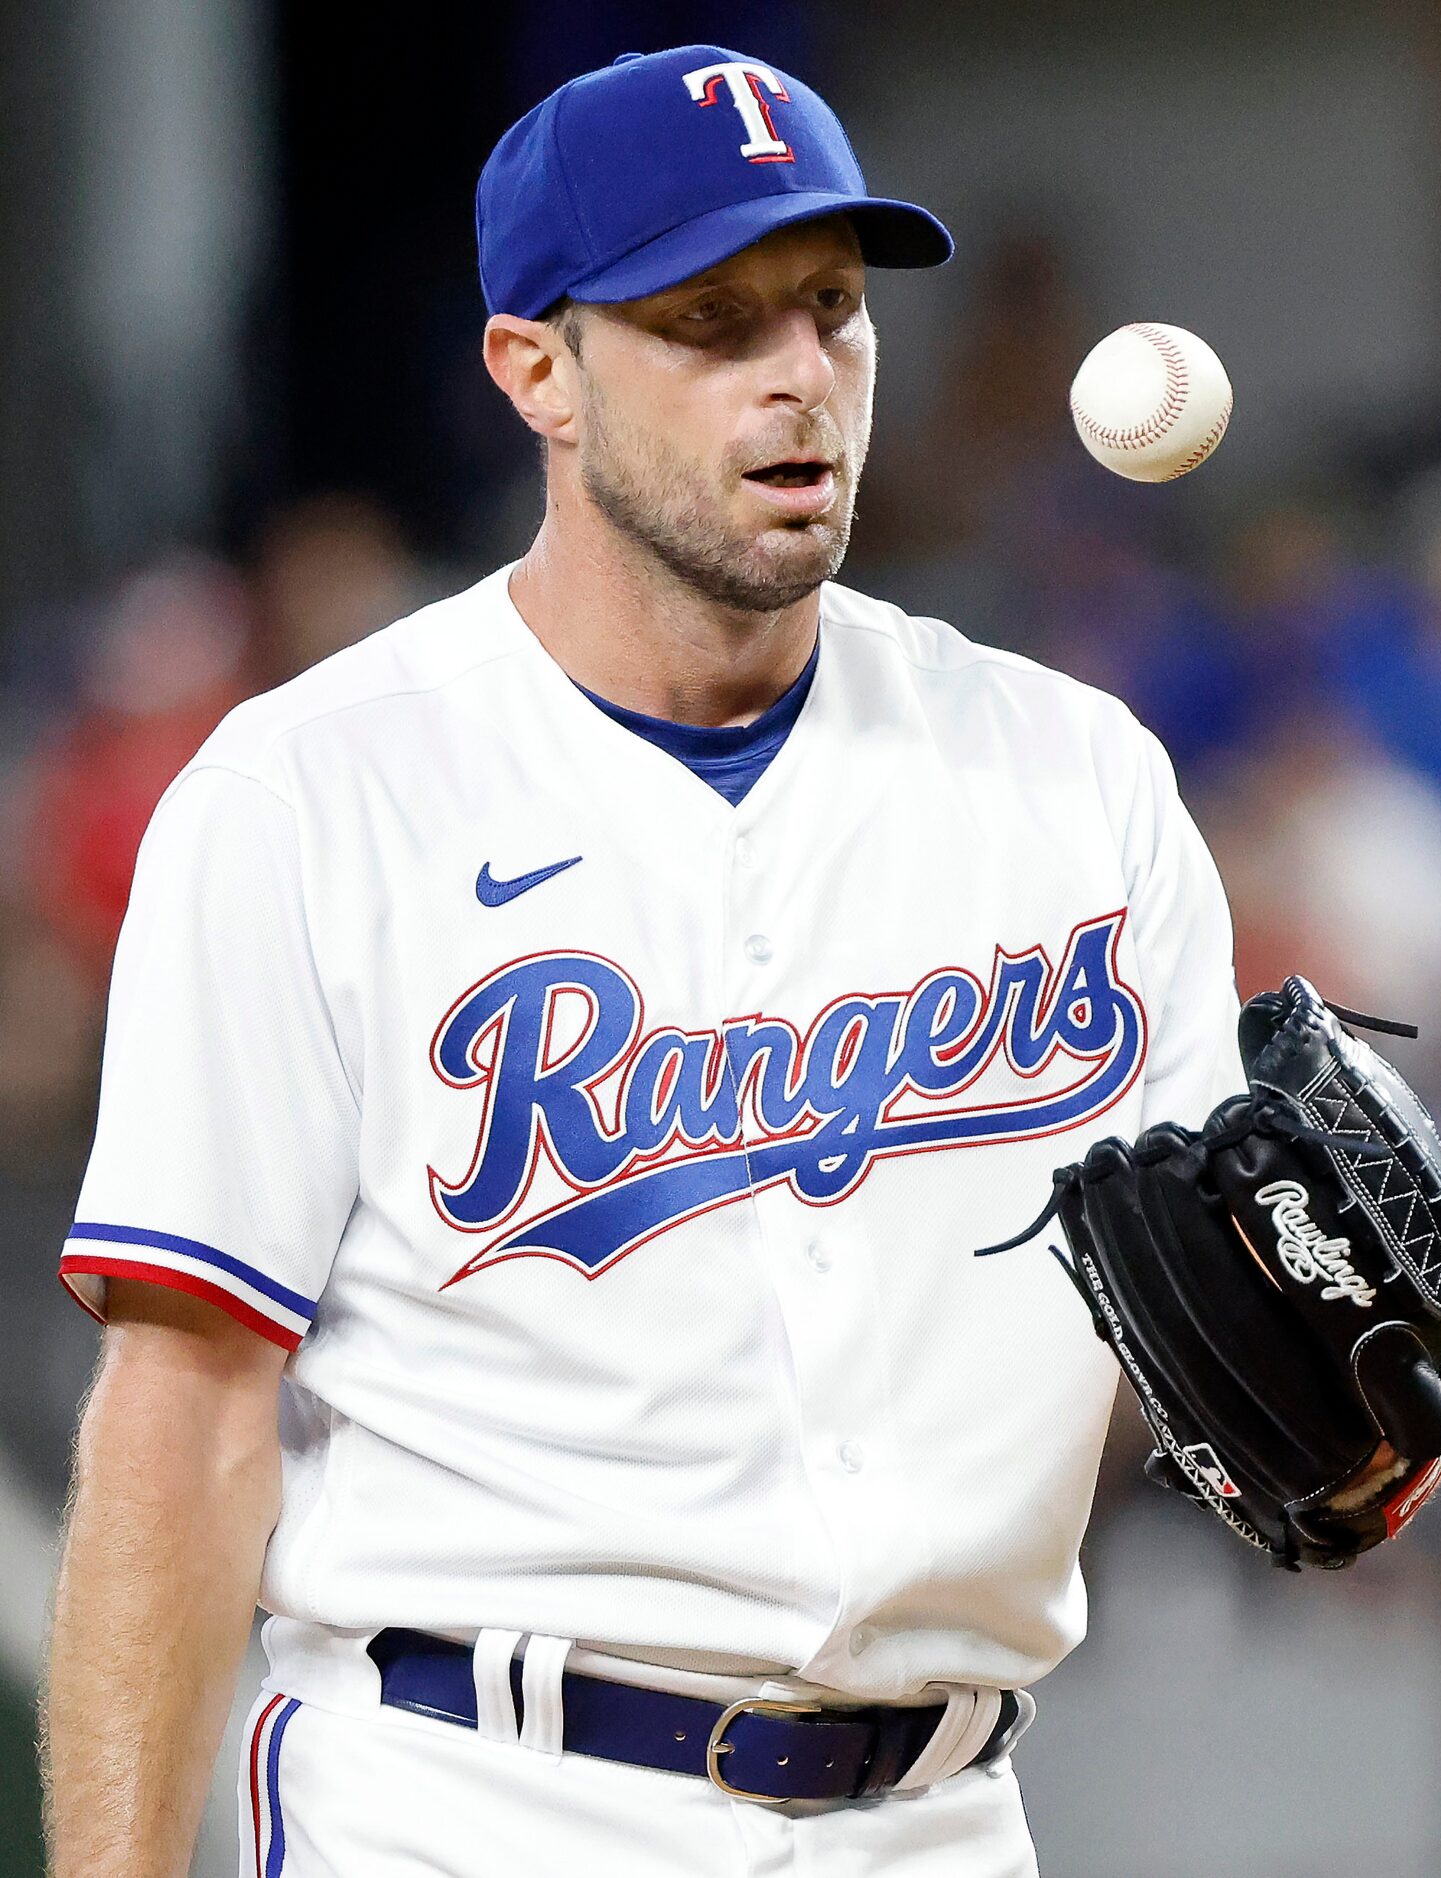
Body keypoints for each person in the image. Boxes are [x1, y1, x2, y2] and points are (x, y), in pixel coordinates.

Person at [43, 46, 1241, 1877]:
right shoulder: (312, 794)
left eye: (832, 309)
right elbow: (185, 1424)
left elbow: (1255, 1373)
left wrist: (1345, 1410)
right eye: (708, 319)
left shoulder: (1074, 779)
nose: (797, 377)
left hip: (939, 1814)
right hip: (477, 1796)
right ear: (538, 370)